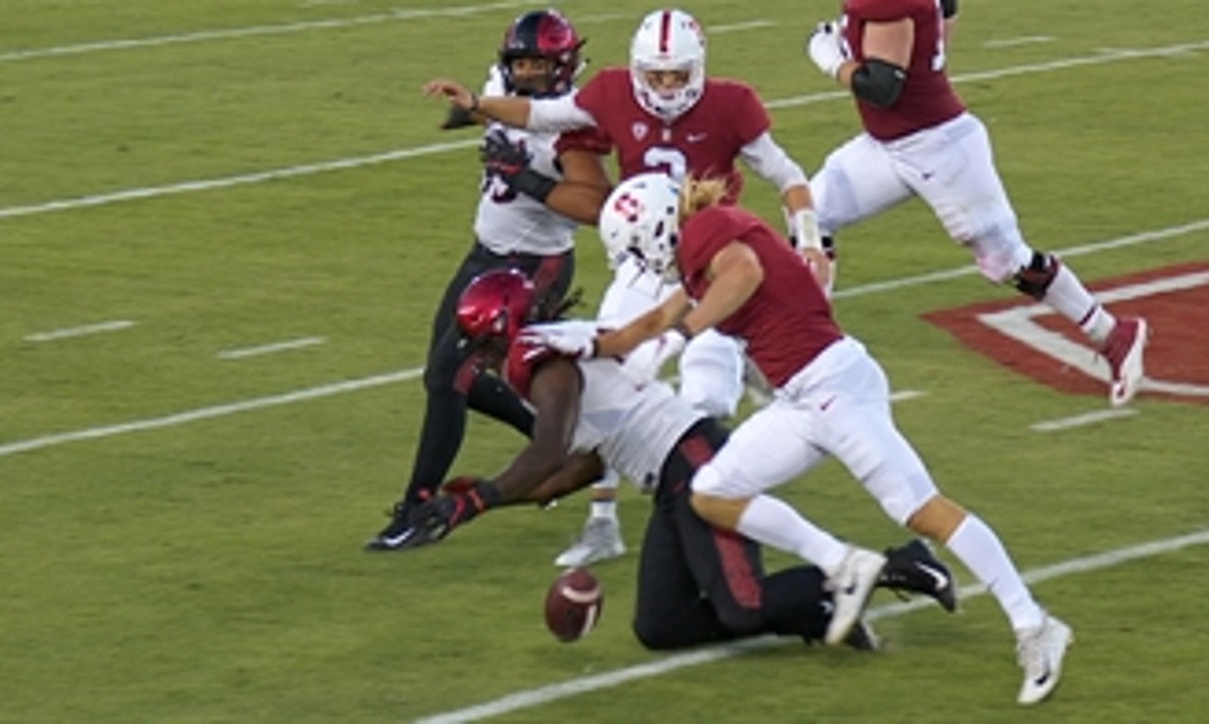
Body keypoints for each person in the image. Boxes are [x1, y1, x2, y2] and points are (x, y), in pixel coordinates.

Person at [526, 172, 1074, 705]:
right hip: (801, 399)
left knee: (921, 508)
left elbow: (744, 274)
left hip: (835, 388)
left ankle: (1034, 624)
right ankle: (843, 564)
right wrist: (564, 344)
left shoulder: (708, 231)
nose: (648, 266)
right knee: (713, 491)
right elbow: (639, 328)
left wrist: (681, 336)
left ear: (657, 229)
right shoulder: (698, 250)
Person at [427, 8, 835, 567]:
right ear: (640, 70)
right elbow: (542, 114)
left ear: (698, 68)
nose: (667, 88)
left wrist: (811, 239)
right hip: (643, 261)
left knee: (706, 398)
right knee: (611, 383)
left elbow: (787, 176)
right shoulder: (614, 90)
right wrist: (478, 105)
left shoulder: (732, 104)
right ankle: (603, 522)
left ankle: (725, 501)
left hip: (709, 264)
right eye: (656, 76)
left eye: (677, 76)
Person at [397, 267, 958, 651]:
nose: (488, 360)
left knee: (743, 604)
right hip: (668, 475)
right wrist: (485, 500)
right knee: (661, 625)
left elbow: (546, 452)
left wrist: (476, 501)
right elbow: (575, 468)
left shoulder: (545, 362)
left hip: (692, 462)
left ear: (506, 331)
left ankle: (898, 564)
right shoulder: (548, 354)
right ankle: (818, 609)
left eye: (487, 346)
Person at [804, 0, 1148, 406]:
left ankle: (1112, 334)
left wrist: (830, 59)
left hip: (939, 148)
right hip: (889, 145)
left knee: (1007, 261)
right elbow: (945, 10)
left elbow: (882, 88)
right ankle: (814, 348)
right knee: (811, 214)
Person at [365, 9, 607, 551]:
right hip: (486, 252)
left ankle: (419, 506)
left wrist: (521, 176)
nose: (527, 75)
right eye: (520, 63)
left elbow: (596, 206)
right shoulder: (500, 86)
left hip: (535, 263)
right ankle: (561, 449)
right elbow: (492, 115)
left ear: (564, 66)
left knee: (450, 376)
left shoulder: (574, 123)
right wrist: (466, 113)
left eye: (539, 66)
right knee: (446, 376)